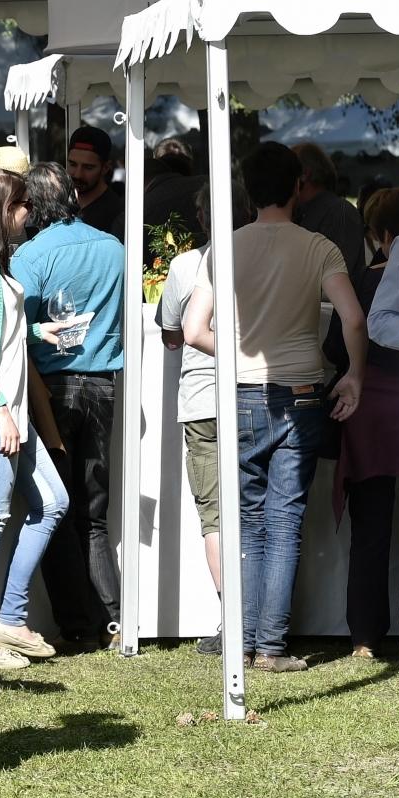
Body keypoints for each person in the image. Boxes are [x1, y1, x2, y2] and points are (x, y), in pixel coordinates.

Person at [184, 141, 366, 672]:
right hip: (303, 392)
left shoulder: (224, 247)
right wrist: (353, 374)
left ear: (248, 190)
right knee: (284, 519)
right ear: (296, 185)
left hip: (239, 393)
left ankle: (239, 640)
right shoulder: (319, 247)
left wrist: (238, 353)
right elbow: (354, 319)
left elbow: (195, 330)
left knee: (245, 519)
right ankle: (270, 646)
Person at [10, 160, 124, 651]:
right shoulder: (114, 248)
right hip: (102, 384)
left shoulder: (30, 256)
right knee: (93, 510)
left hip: (51, 387)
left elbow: (16, 327)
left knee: (52, 507)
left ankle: (80, 621)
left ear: (32, 206)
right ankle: (113, 615)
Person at [0, 168, 69, 670]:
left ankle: (7, 618)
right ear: (7, 210)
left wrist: (36, 331)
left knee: (52, 502)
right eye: (24, 207)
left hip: (11, 415)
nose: (30, 215)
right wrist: (0, 406)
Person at [327, 188, 399, 658]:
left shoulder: (364, 281)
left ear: (384, 236)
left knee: (369, 527)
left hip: (368, 408)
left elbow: (334, 346)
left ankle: (365, 638)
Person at [154, 181, 248, 655]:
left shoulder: (187, 264)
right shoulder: (263, 257)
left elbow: (172, 332)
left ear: (204, 218)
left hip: (204, 399)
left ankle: (234, 622)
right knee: (257, 512)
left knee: (214, 515)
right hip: (257, 395)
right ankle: (260, 621)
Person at [290, 141, 367, 279]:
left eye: (287, 166)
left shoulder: (340, 213)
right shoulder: (299, 212)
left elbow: (336, 278)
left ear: (305, 173)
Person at [64, 126, 124, 240]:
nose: (78, 174)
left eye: (88, 167)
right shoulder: (60, 203)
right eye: (73, 164)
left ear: (105, 168)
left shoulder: (116, 216)